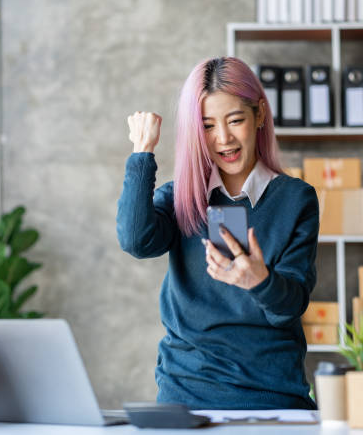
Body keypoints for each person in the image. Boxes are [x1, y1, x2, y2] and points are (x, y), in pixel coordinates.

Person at [116, 56, 319, 410]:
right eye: (207, 126)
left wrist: (260, 281)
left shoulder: (295, 199)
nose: (223, 138)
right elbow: (136, 241)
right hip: (186, 397)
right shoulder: (180, 198)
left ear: (259, 114)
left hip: (271, 399)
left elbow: (289, 307)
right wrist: (142, 153)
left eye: (235, 120)